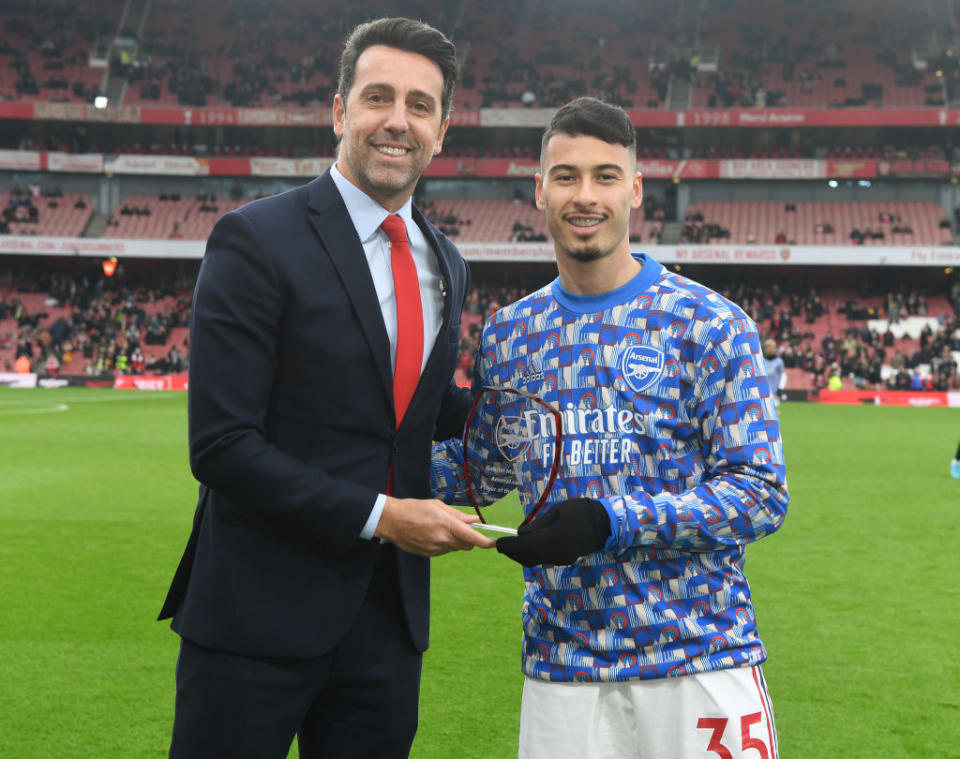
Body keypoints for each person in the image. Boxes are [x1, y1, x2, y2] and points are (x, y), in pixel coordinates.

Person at [158, 17, 493, 759]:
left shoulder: (448, 261)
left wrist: (525, 423)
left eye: (419, 104)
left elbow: (418, 412)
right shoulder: (255, 238)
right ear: (340, 111)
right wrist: (383, 516)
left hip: (387, 629)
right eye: (378, 97)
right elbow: (221, 444)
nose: (397, 121)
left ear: (443, 128)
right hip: (255, 619)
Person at [432, 98, 788, 758]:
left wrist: (610, 520)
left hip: (699, 660)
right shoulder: (511, 335)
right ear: (539, 190)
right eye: (566, 176)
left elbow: (760, 493)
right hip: (562, 671)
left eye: (605, 175)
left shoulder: (709, 323)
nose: (585, 195)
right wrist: (346, 441)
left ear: (635, 189)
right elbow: (482, 472)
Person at [763, 338, 786, 406]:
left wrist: (780, 388)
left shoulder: (779, 361)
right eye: (769, 347)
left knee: (773, 413)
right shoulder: (761, 361)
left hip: (774, 392)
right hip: (763, 392)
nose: (771, 349)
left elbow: (783, 375)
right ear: (765, 349)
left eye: (772, 347)